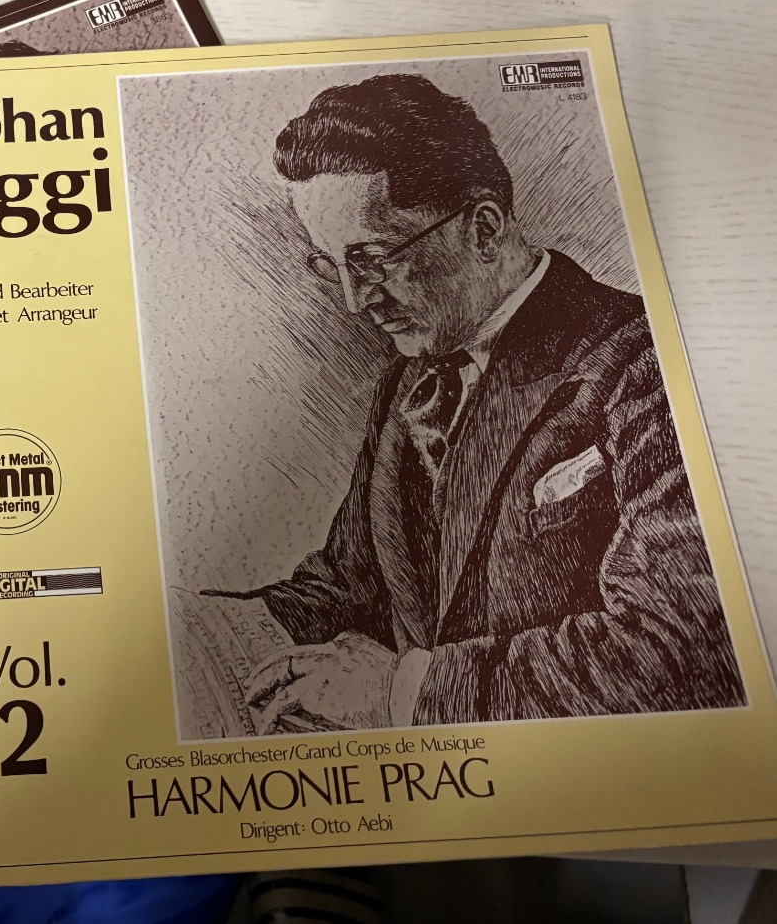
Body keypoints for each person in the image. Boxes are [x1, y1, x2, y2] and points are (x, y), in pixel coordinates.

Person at [229, 72, 744, 731]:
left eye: (375, 259)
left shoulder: (646, 362)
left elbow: (670, 645)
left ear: (484, 229)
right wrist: (212, 627)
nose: (356, 301)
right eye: (334, 267)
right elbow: (349, 584)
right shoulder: (406, 384)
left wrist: (404, 691)